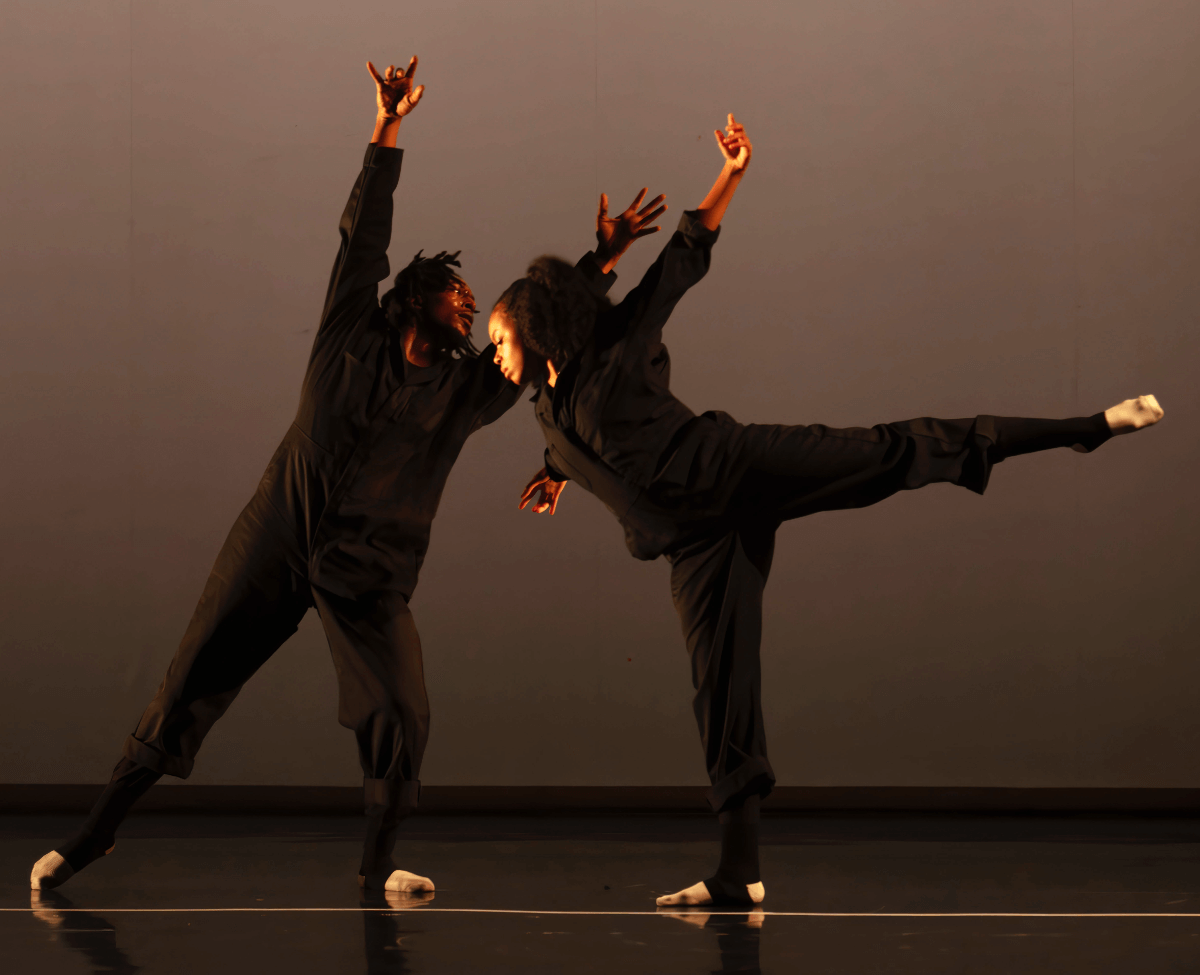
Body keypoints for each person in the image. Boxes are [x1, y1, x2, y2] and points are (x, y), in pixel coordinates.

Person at [489, 113, 1165, 906]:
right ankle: (739, 873)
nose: (496, 354)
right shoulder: (546, 410)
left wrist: (732, 173)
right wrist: (556, 474)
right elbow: (580, 425)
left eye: (501, 339)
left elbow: (680, 260)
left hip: (739, 471)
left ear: (535, 335)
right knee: (721, 691)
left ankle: (1084, 429)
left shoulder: (615, 347)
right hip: (695, 545)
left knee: (888, 451)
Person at [30, 54, 663, 894]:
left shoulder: (467, 390)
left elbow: (540, 331)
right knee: (187, 683)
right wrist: (388, 123)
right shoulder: (350, 334)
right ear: (417, 296)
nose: (474, 305)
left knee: (401, 710)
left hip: (372, 567)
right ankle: (96, 832)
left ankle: (377, 866)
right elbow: (362, 232)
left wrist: (600, 261)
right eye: (459, 292)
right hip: (278, 530)